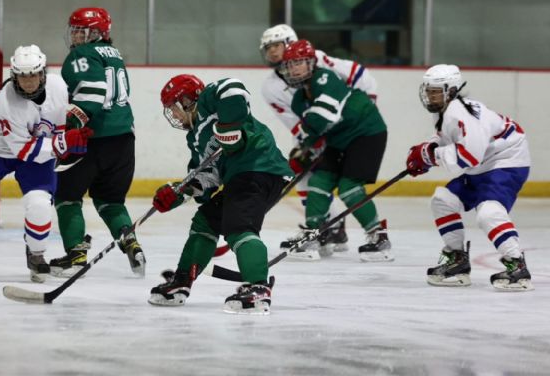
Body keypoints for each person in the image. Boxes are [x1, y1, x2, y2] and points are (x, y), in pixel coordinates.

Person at [0, 45, 92, 283]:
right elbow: (23, 150)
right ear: (14, 76)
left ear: (42, 73)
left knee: (40, 204)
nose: (29, 81)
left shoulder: (59, 86)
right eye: (23, 75)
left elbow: (61, 123)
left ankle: (36, 255)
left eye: (33, 74)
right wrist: (62, 143)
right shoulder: (6, 101)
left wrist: (71, 135)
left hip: (39, 152)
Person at [149, 74, 293, 315]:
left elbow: (234, 89)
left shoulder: (209, 101)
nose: (173, 115)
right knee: (205, 220)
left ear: (187, 100)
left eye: (174, 107)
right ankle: (182, 282)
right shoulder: (195, 139)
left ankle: (258, 288)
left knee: (238, 226)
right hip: (241, 177)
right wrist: (179, 192)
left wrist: (229, 126)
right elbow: (206, 178)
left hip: (261, 167)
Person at [405, 64, 532, 291]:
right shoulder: (445, 111)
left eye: (435, 90)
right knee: (442, 200)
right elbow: (446, 139)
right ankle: (457, 260)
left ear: (451, 90)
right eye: (428, 90)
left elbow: (468, 157)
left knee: (488, 213)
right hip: (483, 165)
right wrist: (426, 150)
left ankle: (517, 266)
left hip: (506, 163)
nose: (429, 95)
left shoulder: (461, 113)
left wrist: (430, 156)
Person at [259, 24, 378, 258]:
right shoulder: (270, 87)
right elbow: (294, 121)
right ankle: (329, 229)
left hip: (345, 127)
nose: (272, 52)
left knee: (342, 182)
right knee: (305, 178)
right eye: (268, 48)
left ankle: (341, 229)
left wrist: (364, 111)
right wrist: (310, 143)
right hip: (313, 130)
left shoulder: (318, 60)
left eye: (277, 45)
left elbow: (360, 76)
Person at [48, 7, 145, 278]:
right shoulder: (115, 55)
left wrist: (72, 127)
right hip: (124, 139)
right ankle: (131, 244)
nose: (76, 36)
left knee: (67, 197)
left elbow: (92, 93)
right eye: (75, 30)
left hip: (91, 139)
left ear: (95, 33)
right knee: (110, 200)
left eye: (81, 30)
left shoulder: (81, 54)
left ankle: (76, 256)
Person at [279, 39, 393, 262]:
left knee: (349, 187)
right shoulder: (298, 100)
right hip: (338, 139)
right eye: (290, 64)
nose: (294, 68)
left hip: (366, 131)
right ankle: (313, 234)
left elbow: (321, 118)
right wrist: (304, 149)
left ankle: (379, 238)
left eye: (299, 63)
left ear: (312, 63)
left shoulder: (325, 78)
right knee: (319, 181)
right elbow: (316, 133)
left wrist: (307, 144)